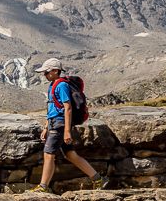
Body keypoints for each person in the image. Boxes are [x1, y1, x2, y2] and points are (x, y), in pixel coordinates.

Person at [30, 58, 109, 193]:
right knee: (70, 154)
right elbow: (52, 108)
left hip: (60, 125)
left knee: (48, 154)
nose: (44, 75)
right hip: (55, 123)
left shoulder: (61, 86)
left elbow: (68, 108)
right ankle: (98, 179)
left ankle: (43, 186)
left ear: (55, 71)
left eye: (46, 72)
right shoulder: (53, 85)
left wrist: (67, 131)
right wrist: (46, 127)